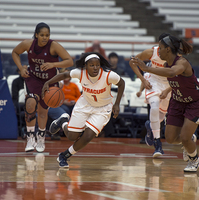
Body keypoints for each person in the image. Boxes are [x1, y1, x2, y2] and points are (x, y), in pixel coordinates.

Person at [41, 52, 125, 167]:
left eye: (97, 65)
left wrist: (116, 104)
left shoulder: (108, 75)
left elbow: (122, 83)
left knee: (88, 135)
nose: (95, 68)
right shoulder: (80, 73)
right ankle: (63, 121)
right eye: (92, 65)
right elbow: (64, 75)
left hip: (103, 108)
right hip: (84, 104)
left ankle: (64, 155)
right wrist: (48, 82)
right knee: (72, 136)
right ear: (86, 66)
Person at [130, 33, 199, 172]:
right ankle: (190, 138)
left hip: (193, 102)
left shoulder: (182, 63)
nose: (157, 50)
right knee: (170, 138)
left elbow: (172, 73)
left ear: (168, 49)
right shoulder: (166, 63)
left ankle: (194, 160)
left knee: (184, 138)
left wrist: (147, 69)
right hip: (177, 101)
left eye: (160, 48)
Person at [12, 22, 73, 153]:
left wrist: (53, 64)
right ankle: (30, 137)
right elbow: (15, 52)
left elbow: (69, 60)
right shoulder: (28, 44)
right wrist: (21, 68)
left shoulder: (54, 46)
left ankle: (41, 137)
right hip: (33, 78)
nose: (45, 37)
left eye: (47, 35)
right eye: (42, 35)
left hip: (50, 81)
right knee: (30, 105)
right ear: (36, 35)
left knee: (42, 111)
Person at [129, 34, 172, 158]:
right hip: (153, 81)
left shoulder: (176, 56)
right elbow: (133, 61)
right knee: (154, 106)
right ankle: (158, 145)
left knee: (160, 117)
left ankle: (149, 126)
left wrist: (169, 89)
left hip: (168, 84)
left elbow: (180, 75)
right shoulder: (151, 52)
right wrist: (142, 79)